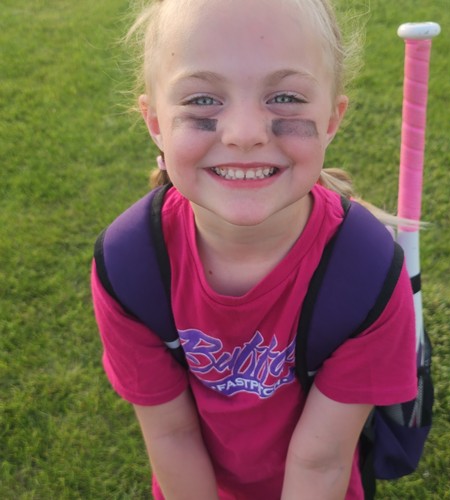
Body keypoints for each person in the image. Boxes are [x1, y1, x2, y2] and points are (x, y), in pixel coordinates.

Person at [91, 0, 417, 498]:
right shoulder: (130, 265)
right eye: (202, 100)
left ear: (332, 119)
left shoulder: (366, 274)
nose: (244, 134)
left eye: (285, 97)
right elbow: (171, 435)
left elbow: (319, 461)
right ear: (155, 121)